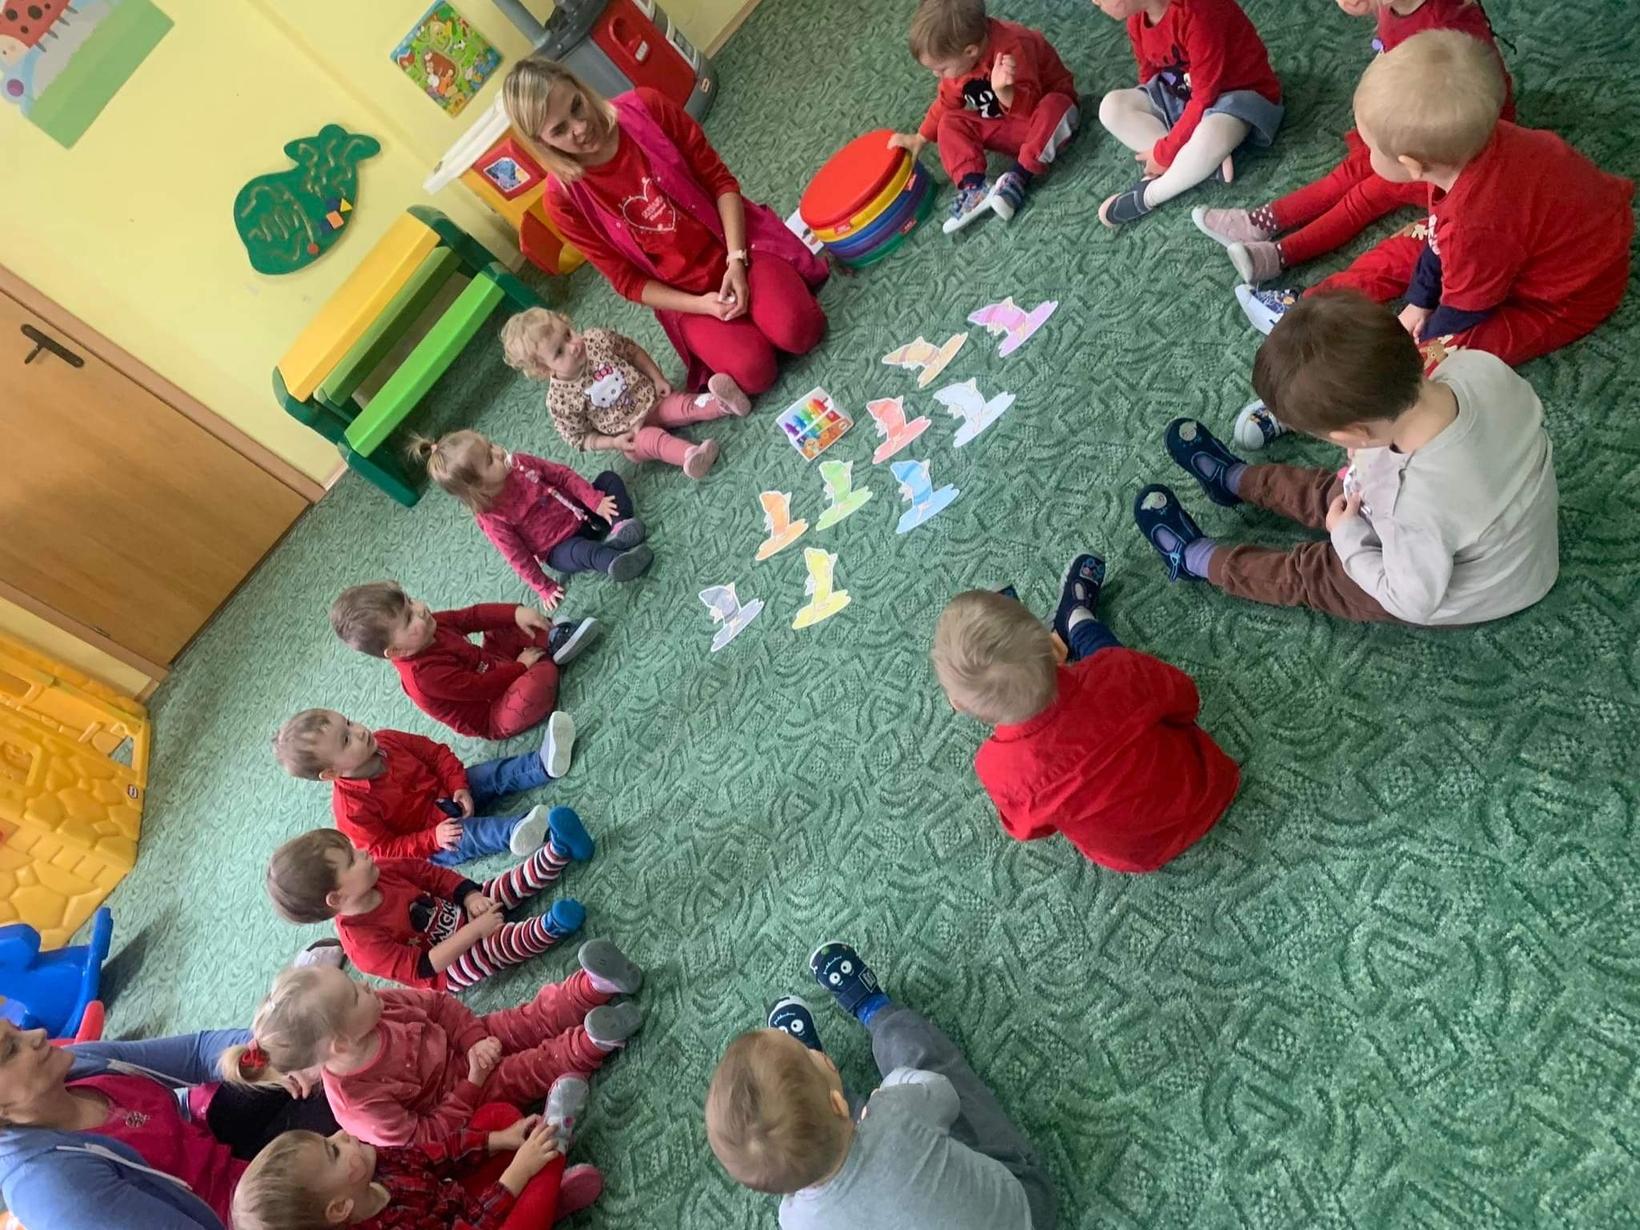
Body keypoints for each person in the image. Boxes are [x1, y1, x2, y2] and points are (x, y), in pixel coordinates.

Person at [1134, 290, 1559, 625]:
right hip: (1489, 525)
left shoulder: (1411, 504)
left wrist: (1348, 539)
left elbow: (1412, 600)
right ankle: (1235, 480)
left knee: (1315, 573)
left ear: (1355, 433)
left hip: (1474, 586)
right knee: (1338, 492)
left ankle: (1197, 559)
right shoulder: (1473, 365)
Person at [1235, 31, 1634, 369]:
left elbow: (1465, 310)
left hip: (1566, 298)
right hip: (1511, 244)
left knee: (1438, 354)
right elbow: (1439, 245)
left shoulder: (1475, 224)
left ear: (1412, 165)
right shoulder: (1471, 147)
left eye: (1371, 148)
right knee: (1407, 248)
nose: (1363, 154)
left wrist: (1423, 327)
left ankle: (1337, 396)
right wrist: (1418, 300)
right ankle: (1311, 307)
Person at [502, 58, 827, 397]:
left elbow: (720, 181)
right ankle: (750, 323)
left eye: (576, 106)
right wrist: (703, 306)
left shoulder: (646, 106)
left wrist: (736, 259)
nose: (580, 128)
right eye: (559, 130)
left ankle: (768, 303)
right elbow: (627, 281)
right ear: (542, 142)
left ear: (582, 89)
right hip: (686, 297)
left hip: (738, 247)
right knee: (755, 372)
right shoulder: (562, 200)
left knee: (800, 330)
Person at [706, 942, 1054, 1230]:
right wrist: (895, 1087)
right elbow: (944, 1096)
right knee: (927, 1064)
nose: (815, 1056)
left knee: (838, 1133)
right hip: (1028, 1213)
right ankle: (877, 1011)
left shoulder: (794, 1221)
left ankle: (822, 1101)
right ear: (837, 1104)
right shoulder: (896, 1113)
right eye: (809, 1055)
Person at [932, 563, 1237, 872]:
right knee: (1109, 656)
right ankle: (1076, 619)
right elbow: (1185, 697)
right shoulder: (1115, 670)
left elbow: (1028, 828)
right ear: (1054, 650)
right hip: (1210, 784)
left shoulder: (997, 769)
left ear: (960, 705)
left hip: (1138, 855)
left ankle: (1061, 622)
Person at [1195, 0, 1513, 286]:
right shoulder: (1399, 8)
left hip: (1444, 151)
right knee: (1354, 175)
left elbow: (1474, 97)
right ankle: (1264, 225)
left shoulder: (1448, 25)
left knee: (1363, 195)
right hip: (1408, 129)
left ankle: (1280, 252)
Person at [223, 961, 643, 1149]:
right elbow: (428, 1137)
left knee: (527, 1018)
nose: (366, 986)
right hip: (464, 1098)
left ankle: (592, 986)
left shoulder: (376, 1006)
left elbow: (438, 1005)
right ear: (341, 1045)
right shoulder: (359, 1104)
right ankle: (593, 1041)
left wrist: (473, 1039)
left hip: (466, 1041)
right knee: (530, 1068)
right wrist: (473, 1082)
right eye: (355, 994)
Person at [0, 1019, 337, 1230]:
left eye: (17, 1029)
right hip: (246, 1215)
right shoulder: (53, 1188)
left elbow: (197, 1052)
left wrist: (272, 1060)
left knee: (320, 1061)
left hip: (218, 1146)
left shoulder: (81, 1065)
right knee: (351, 1132)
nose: (38, 1034)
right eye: (10, 1050)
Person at [231, 1082, 601, 1230]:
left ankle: (546, 1187)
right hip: (469, 1223)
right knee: (537, 1159)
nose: (341, 1134)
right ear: (340, 1208)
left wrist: (499, 1140)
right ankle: (553, 1157)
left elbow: (436, 1156)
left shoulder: (372, 1164)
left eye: (327, 1136)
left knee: (496, 1118)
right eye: (333, 1151)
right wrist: (519, 1170)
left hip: (457, 1203)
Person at [266, 825, 594, 991]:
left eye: (353, 849)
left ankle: (558, 850)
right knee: (494, 947)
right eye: (352, 860)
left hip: (459, 910)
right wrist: (473, 932)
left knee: (502, 886)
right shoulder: (363, 945)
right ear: (336, 899)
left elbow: (430, 875)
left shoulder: (378, 869)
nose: (363, 853)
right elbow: (426, 965)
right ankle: (548, 928)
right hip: (449, 967)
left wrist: (469, 896)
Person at [272, 709, 571, 867]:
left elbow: (435, 754)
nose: (359, 731)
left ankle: (542, 764)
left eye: (349, 722)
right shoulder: (351, 811)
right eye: (346, 740)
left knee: (488, 774)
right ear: (332, 773)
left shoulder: (386, 739)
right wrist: (432, 837)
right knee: (469, 835)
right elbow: (386, 850)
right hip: (433, 840)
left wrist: (457, 785)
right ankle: (518, 831)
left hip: (447, 791)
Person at [887, 0, 1079, 231]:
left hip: (1044, 123)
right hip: (1007, 127)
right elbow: (946, 102)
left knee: (1056, 105)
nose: (937, 75)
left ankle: (1020, 176)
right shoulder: (959, 63)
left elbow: (1031, 106)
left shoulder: (1014, 46)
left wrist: (1005, 92)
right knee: (949, 122)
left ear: (970, 51)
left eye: (941, 68)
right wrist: (920, 137)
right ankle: (975, 188)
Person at [501, 306, 751, 480]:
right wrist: (613, 442)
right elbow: (579, 438)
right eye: (559, 352)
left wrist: (657, 378)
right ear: (544, 369)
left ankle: (723, 403)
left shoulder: (596, 339)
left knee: (681, 405)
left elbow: (632, 351)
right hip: (630, 435)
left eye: (568, 334)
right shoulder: (559, 401)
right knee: (655, 442)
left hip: (651, 399)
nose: (573, 347)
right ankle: (691, 455)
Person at [1093, 0, 1283, 225]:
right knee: (1111, 107)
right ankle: (1198, 163)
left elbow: (1205, 97)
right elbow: (1150, 75)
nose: (1095, 1)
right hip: (1185, 94)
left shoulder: (1198, 12)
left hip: (1235, 95)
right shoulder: (1137, 18)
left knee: (1212, 134)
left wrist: (1164, 153)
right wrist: (1165, 130)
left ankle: (1150, 194)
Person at [412, 430, 654, 606]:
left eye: (491, 445)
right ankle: (617, 560)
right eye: (490, 459)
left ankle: (620, 526)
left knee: (609, 479)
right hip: (559, 547)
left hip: (581, 510)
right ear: (479, 487)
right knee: (584, 553)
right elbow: (517, 555)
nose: (499, 452)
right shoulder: (491, 517)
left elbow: (561, 475)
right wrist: (543, 586)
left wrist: (594, 501)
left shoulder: (520, 463)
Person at [329, 582, 591, 741]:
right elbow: (482, 687)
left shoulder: (429, 625)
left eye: (410, 601)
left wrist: (515, 612)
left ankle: (552, 639)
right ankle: (548, 651)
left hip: (492, 665)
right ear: (396, 650)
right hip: (495, 711)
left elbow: (472, 617)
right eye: (408, 618)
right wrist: (521, 667)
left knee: (504, 622)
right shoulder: (424, 677)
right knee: (534, 687)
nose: (420, 609)